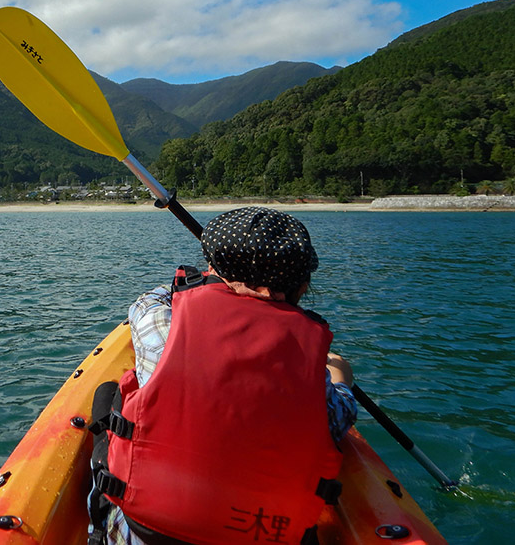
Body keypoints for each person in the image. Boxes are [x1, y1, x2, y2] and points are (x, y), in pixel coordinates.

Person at [90, 207, 357, 545]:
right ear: (302, 286)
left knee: (110, 395)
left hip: (151, 531)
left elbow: (150, 301)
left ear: (218, 273)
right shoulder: (312, 371)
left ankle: (96, 528)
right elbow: (341, 414)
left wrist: (198, 284)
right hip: (259, 532)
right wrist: (338, 371)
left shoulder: (162, 326)